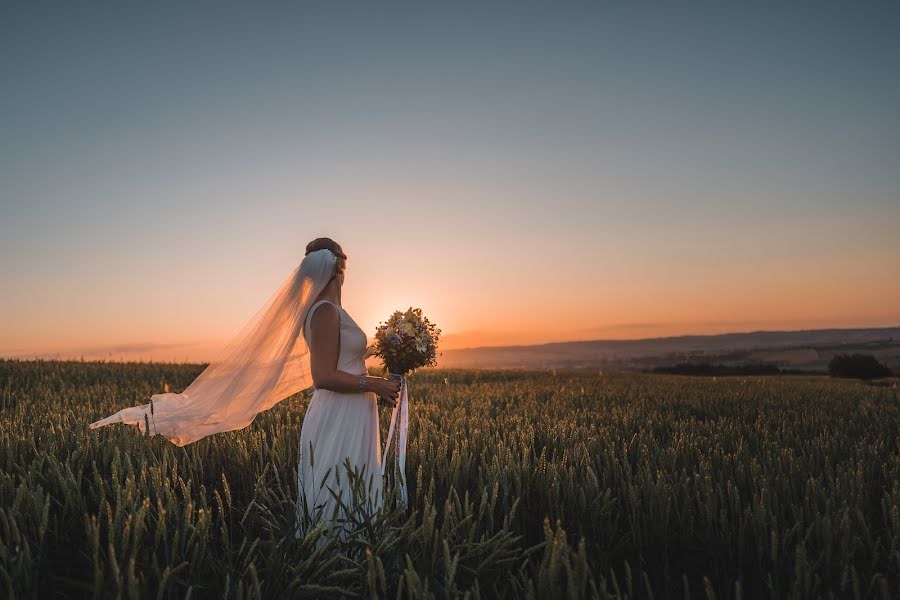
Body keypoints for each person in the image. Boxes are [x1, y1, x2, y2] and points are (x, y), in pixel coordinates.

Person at [293, 237, 401, 543]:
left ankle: (353, 554)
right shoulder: (325, 311)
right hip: (339, 411)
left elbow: (340, 358)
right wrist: (375, 384)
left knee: (353, 485)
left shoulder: (331, 309)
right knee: (337, 486)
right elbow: (323, 376)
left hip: (352, 409)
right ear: (340, 268)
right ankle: (335, 560)